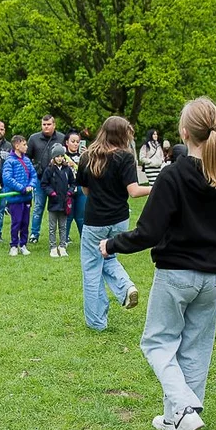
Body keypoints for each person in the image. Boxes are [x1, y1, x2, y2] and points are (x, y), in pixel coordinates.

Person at [102, 98, 216, 430]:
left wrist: (112, 245)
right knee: (194, 347)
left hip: (177, 275)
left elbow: (148, 232)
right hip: (211, 278)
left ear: (184, 131)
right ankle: (175, 418)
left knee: (157, 344)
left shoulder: (179, 174)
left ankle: (182, 409)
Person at [76, 116, 152, 329]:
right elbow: (134, 191)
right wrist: (155, 187)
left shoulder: (87, 157)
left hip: (94, 220)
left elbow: (85, 190)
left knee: (92, 269)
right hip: (119, 219)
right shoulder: (125, 157)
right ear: (121, 134)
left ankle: (97, 322)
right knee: (109, 259)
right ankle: (126, 287)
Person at [27, 115, 64, 244]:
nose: (46, 127)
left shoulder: (62, 138)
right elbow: (27, 157)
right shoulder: (33, 138)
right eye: (44, 124)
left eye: (48, 124)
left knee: (61, 207)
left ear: (54, 125)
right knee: (38, 206)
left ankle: (64, 235)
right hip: (40, 178)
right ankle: (34, 233)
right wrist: (33, 169)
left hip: (58, 179)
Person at [1, 135, 38, 256]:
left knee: (25, 222)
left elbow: (33, 175)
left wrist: (31, 185)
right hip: (15, 198)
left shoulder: (27, 160)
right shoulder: (9, 161)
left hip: (26, 198)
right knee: (16, 222)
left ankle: (23, 244)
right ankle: (13, 245)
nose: (26, 147)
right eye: (24, 144)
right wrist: (22, 188)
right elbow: (7, 178)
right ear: (17, 146)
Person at [40, 145, 76, 257]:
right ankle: (53, 247)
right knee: (52, 227)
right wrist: (51, 193)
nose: (59, 158)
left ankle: (62, 246)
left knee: (63, 226)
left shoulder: (67, 170)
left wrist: (70, 192)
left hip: (65, 202)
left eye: (61, 156)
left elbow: (73, 182)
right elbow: (44, 184)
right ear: (53, 157)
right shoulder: (49, 170)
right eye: (57, 156)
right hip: (53, 202)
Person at [62, 132, 86, 242]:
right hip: (68, 189)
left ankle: (85, 239)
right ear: (67, 142)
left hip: (81, 188)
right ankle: (64, 239)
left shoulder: (84, 156)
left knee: (81, 217)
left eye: (78, 142)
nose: (75, 144)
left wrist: (87, 158)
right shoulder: (62, 156)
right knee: (68, 216)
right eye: (73, 141)